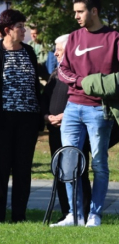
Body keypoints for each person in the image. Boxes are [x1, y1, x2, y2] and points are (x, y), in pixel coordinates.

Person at [52, 0, 119, 227]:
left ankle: (95, 215)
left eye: (80, 11)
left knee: (99, 163)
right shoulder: (73, 38)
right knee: (69, 162)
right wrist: (83, 82)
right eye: (75, 12)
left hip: (99, 110)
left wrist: (103, 84)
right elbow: (62, 70)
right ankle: (74, 214)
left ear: (94, 11)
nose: (77, 16)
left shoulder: (114, 38)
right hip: (72, 108)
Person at [41, 34, 92, 221]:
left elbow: (84, 100)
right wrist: (46, 115)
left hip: (74, 128)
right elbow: (45, 97)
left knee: (77, 170)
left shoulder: (80, 74)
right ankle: (66, 212)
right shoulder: (56, 73)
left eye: (59, 50)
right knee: (60, 171)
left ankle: (82, 212)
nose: (54, 53)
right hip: (54, 129)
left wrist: (67, 116)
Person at [0, 9, 43, 223]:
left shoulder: (28, 51)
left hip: (28, 119)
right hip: (3, 120)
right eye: (20, 27)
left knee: (22, 168)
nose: (24, 30)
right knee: (2, 167)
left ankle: (19, 216)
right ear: (7, 30)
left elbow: (37, 81)